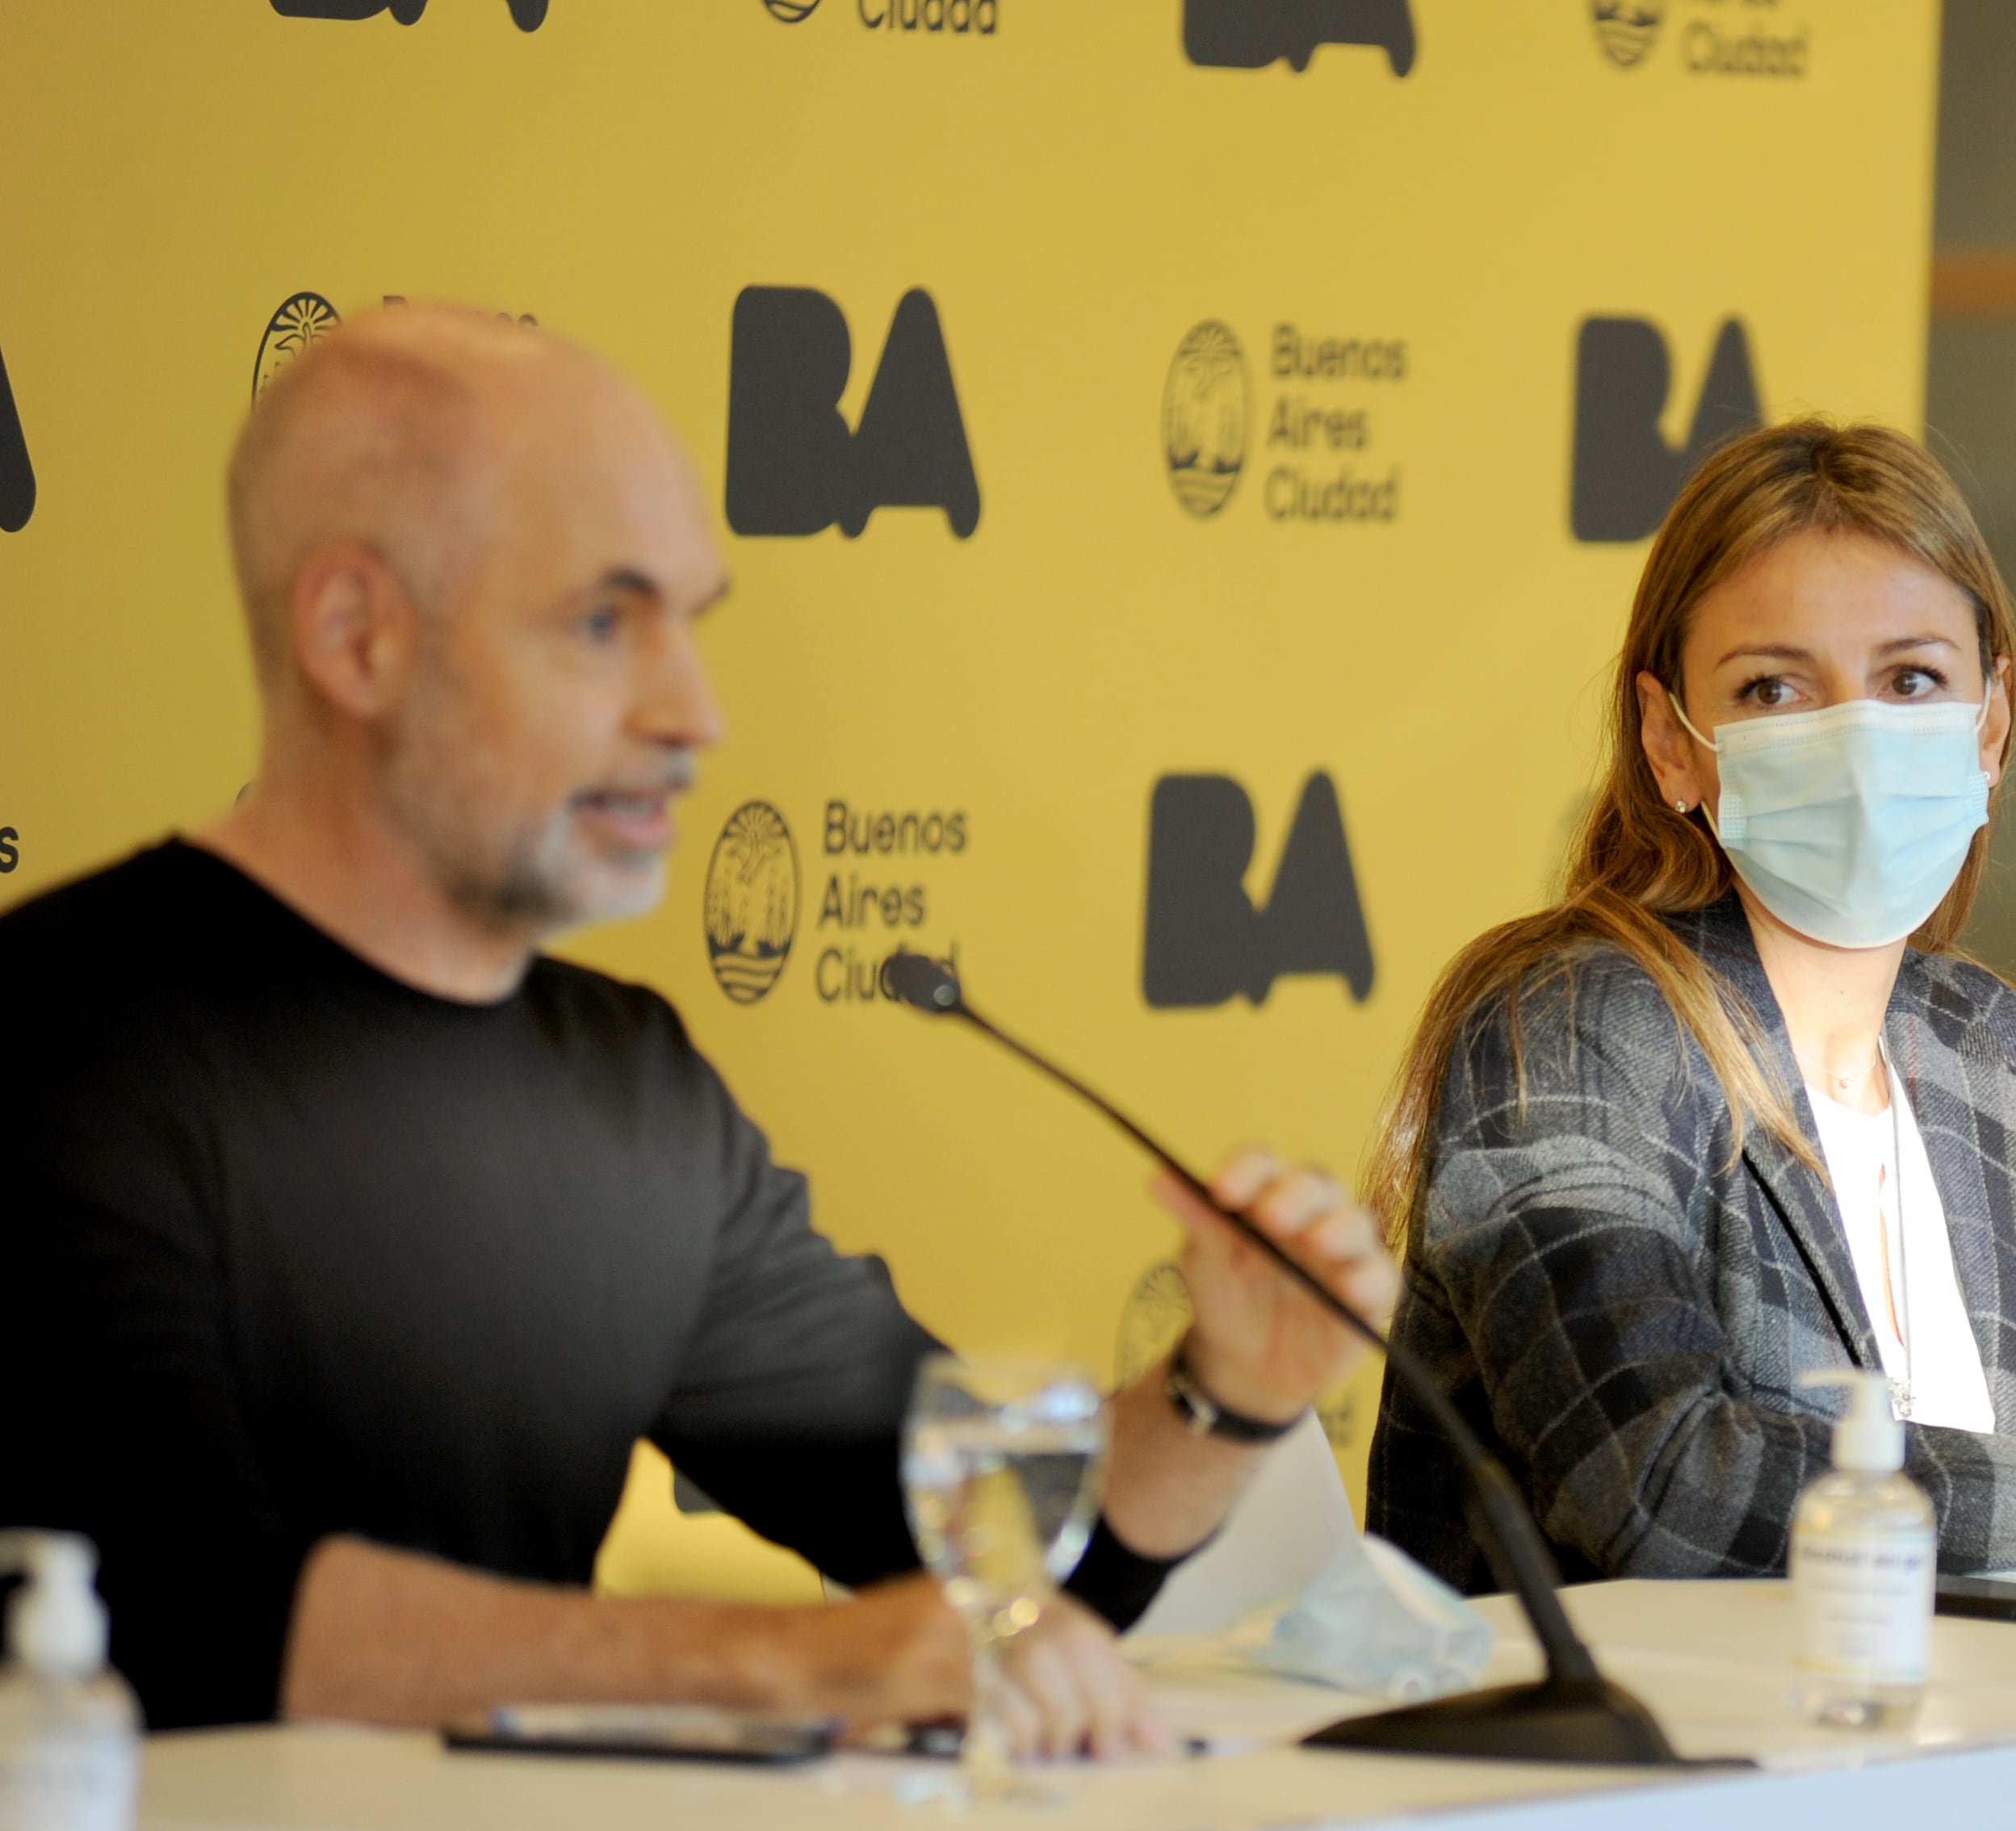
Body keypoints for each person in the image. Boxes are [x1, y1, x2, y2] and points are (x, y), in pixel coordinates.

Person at [0, 312, 1398, 1741]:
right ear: (357, 638)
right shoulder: (57, 1038)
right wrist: (787, 1665)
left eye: (690, 622)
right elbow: (180, 1617)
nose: (696, 711)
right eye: (604, 623)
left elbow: (977, 1559)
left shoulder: (630, 1086)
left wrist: (1225, 1391)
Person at [1362, 420, 2016, 1592]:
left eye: (1910, 679)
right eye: (1775, 687)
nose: (1858, 739)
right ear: (1673, 747)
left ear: (1991, 724)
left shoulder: (1978, 1050)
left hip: (1954, 1753)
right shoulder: (1576, 1024)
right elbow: (1662, 1481)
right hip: (1641, 1767)